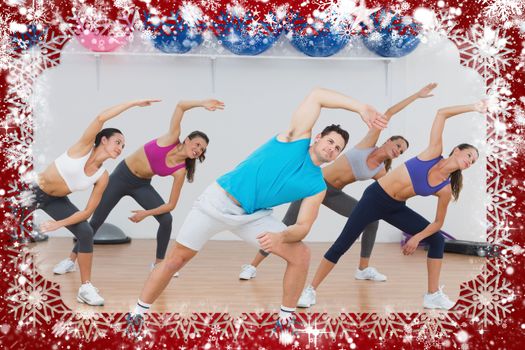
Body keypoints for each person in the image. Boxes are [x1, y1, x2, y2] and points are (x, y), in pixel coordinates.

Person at [128, 88, 387, 328]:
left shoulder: (316, 185)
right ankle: (137, 314)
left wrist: (282, 236)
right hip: (216, 202)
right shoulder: (294, 139)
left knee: (301, 255)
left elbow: (303, 226)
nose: (332, 149)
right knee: (175, 260)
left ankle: (285, 320)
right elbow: (317, 95)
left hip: (252, 216)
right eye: (330, 142)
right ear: (318, 137)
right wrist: (360, 108)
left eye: (337, 149)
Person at [239, 83, 438, 283]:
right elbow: (389, 112)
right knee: (287, 225)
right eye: (397, 145)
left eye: (401, 151)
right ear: (387, 141)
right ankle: (252, 265)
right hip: (313, 185)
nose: (398, 150)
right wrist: (416, 96)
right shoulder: (368, 144)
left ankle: (363, 268)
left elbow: (391, 193)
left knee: (371, 219)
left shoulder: (381, 171)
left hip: (333, 193)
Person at [297, 100, 487, 310]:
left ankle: (432, 295)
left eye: (473, 161)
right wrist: (474, 107)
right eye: (469, 155)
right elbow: (442, 112)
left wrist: (417, 237)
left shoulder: (444, 189)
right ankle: (310, 289)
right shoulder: (433, 153)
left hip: (395, 207)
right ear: (457, 150)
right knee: (342, 244)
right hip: (375, 198)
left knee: (437, 241)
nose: (470, 161)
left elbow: (437, 223)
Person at [52, 99, 224, 277]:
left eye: (202, 149)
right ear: (187, 140)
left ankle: (159, 264)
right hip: (121, 177)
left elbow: (171, 205)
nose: (198, 150)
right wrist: (202, 104)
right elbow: (180, 106)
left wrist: (145, 213)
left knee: (166, 220)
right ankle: (71, 260)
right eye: (197, 144)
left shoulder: (180, 171)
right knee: (96, 221)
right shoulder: (171, 138)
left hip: (141, 185)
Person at [33, 99, 159, 305]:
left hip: (55, 200)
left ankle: (85, 288)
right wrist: (134, 104)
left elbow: (87, 212)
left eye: (123, 146)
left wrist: (59, 224)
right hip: (31, 192)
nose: (120, 148)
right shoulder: (83, 148)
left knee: (85, 231)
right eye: (117, 142)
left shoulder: (103, 176)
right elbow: (101, 117)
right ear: (103, 140)